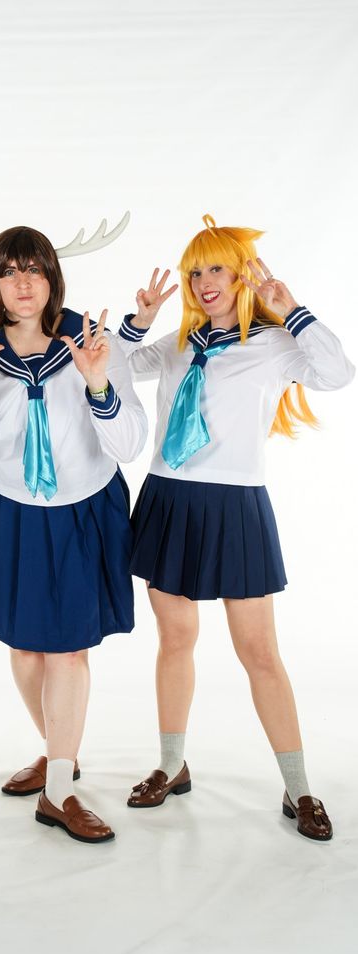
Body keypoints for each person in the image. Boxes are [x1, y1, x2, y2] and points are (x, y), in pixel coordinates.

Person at [115, 214, 354, 841]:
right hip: (169, 498)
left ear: (243, 274)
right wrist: (138, 319)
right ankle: (172, 766)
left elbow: (337, 372)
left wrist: (293, 310)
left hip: (235, 505)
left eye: (215, 268)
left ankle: (299, 788)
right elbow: (114, 366)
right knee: (175, 638)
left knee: (259, 652)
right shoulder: (177, 343)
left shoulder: (275, 345)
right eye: (195, 272)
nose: (202, 282)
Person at [0, 225, 147, 843]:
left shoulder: (94, 341)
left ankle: (60, 791)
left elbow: (130, 444)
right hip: (6, 508)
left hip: (81, 507)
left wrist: (99, 382)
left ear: (52, 277)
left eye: (35, 269)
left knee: (68, 648)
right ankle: (60, 753)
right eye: (9, 271)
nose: (23, 282)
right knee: (24, 646)